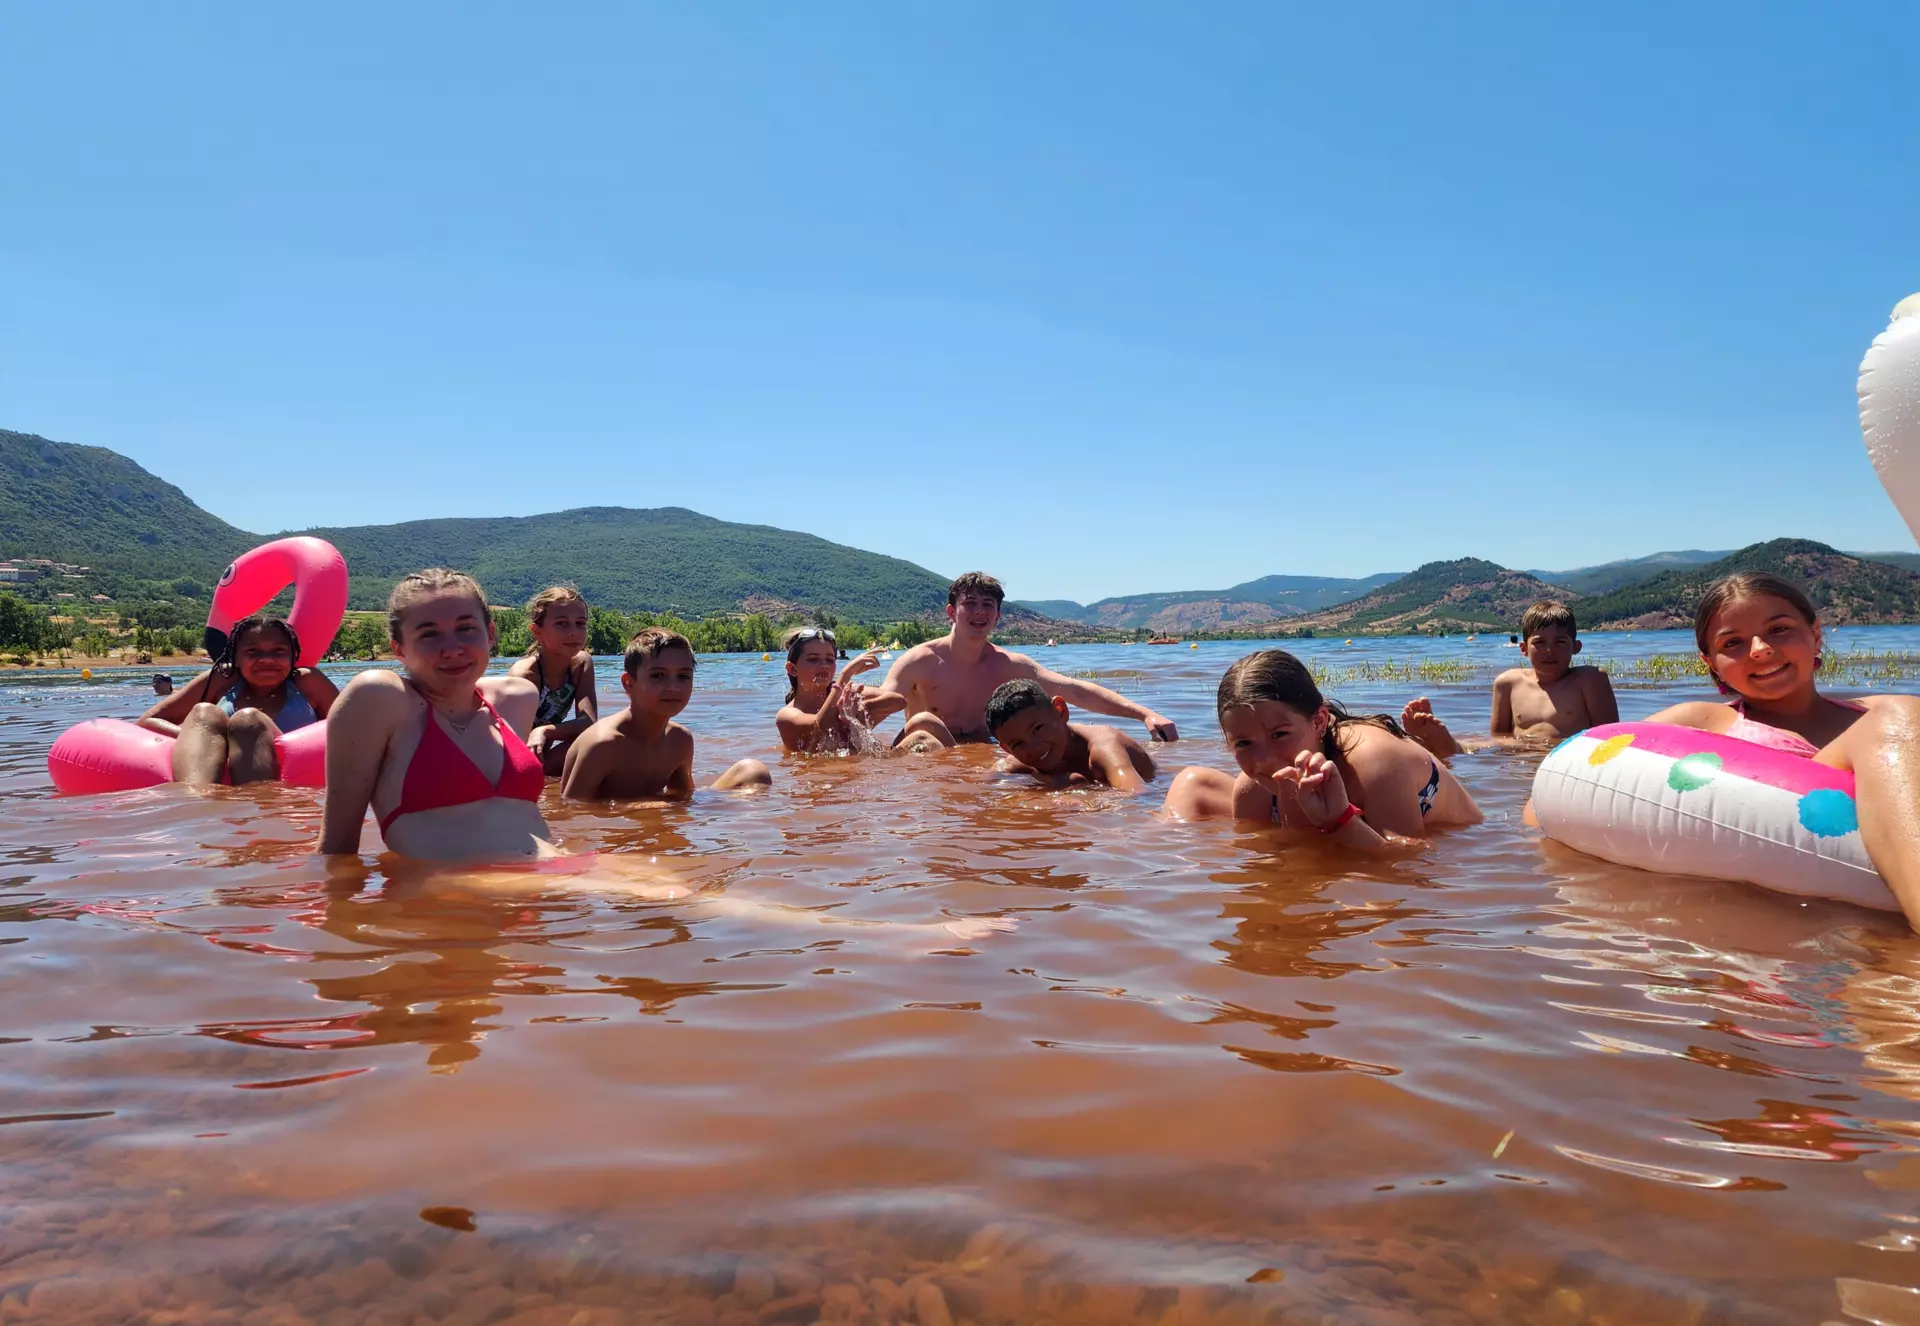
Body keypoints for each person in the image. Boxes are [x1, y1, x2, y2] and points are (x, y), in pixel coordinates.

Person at [1643, 572, 1920, 927]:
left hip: (1867, 919)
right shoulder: (1702, 721)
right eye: (1733, 644)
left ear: (1815, 634)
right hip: (1767, 916)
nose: (1760, 649)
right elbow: (1579, 768)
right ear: (1710, 662)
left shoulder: (1885, 719)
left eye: (1778, 629)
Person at [320, 569, 549, 861]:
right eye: (429, 635)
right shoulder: (379, 698)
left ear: (490, 634)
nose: (452, 649)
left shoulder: (516, 698)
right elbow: (336, 850)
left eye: (466, 629)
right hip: (455, 896)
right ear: (399, 649)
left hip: (544, 891)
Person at [1163, 649, 1481, 843]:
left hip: (1469, 846)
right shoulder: (1252, 790)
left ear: (1318, 720)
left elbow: (1410, 869)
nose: (1264, 760)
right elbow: (1272, 867)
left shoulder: (1374, 762)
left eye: (1279, 735)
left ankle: (1447, 748)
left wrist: (1338, 821)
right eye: (1243, 743)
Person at [873, 572, 1178, 747]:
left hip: (978, 761)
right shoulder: (918, 661)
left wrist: (1145, 715)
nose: (979, 611)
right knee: (925, 722)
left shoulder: (1008, 665)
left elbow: (1073, 689)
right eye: (970, 604)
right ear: (952, 612)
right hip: (925, 766)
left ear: (997, 616)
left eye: (987, 605)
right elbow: (880, 703)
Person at [561, 627, 772, 800]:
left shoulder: (680, 740)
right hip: (616, 841)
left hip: (649, 818)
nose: (674, 687)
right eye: (658, 676)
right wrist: (650, 808)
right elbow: (573, 811)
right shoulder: (604, 743)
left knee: (754, 771)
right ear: (629, 683)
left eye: (683, 677)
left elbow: (682, 798)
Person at [1402, 600, 1618, 757]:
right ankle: (1441, 745)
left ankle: (1443, 746)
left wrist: (1548, 749)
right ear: (1523, 648)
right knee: (1477, 747)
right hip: (1520, 755)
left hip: (1566, 759)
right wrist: (1526, 749)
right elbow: (1499, 736)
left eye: (1560, 642)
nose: (1550, 650)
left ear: (1576, 647)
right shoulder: (1508, 683)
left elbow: (1609, 736)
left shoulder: (1589, 680)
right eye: (1540, 643)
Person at [138, 617, 338, 785]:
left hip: (293, 778)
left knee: (247, 720)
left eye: (278, 651)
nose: (267, 660)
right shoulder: (222, 679)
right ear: (236, 657)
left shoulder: (307, 682)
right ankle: (195, 806)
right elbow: (147, 722)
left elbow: (355, 729)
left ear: (293, 656)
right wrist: (211, 741)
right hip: (210, 774)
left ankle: (258, 807)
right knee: (204, 713)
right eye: (253, 652)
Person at [985, 679, 1156, 792]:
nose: (1034, 747)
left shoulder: (1104, 749)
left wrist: (1084, 800)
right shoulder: (1019, 762)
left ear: (1060, 711)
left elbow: (1137, 795)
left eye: (1037, 729)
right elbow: (984, 786)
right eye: (1017, 744)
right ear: (1007, 749)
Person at [506, 585, 599, 776]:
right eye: (562, 624)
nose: (573, 632)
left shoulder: (580, 664)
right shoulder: (525, 676)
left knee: (599, 741)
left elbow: (589, 723)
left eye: (580, 623)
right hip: (513, 762)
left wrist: (545, 731)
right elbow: (510, 742)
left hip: (542, 760)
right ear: (537, 632)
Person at [774, 627, 901, 753]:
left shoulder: (842, 693)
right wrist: (846, 674)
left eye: (830, 659)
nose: (824, 665)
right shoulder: (786, 716)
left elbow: (898, 701)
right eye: (813, 659)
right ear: (792, 669)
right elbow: (820, 730)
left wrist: (860, 713)